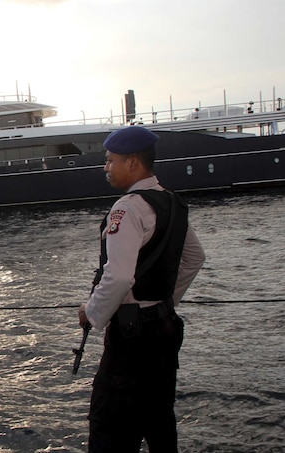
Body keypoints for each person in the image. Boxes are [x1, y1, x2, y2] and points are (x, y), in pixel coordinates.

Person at [78, 126, 206, 453]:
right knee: (159, 421)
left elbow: (119, 277)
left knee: (110, 428)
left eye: (110, 161)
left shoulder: (128, 208)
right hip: (164, 329)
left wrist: (91, 314)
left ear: (132, 162)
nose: (106, 168)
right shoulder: (172, 203)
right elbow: (194, 258)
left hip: (132, 339)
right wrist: (162, 302)